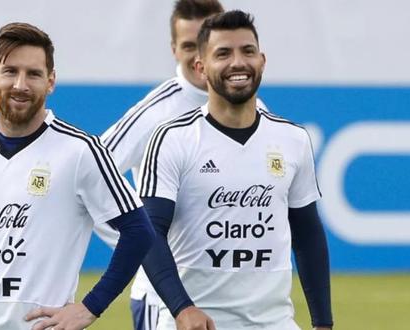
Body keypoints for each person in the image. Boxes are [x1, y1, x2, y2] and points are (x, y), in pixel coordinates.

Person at [0, 22, 155, 330]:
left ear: (51, 81)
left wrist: (89, 308)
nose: (20, 84)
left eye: (33, 74)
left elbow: (139, 232)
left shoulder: (80, 151)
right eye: (10, 71)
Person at [139, 10, 333, 330]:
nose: (238, 62)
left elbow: (308, 234)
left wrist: (323, 322)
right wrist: (182, 308)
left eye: (247, 51)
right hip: (195, 322)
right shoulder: (172, 139)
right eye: (223, 53)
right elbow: (147, 234)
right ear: (201, 67)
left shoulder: (293, 139)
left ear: (262, 61)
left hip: (274, 322)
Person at [94, 1, 267, 329]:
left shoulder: (255, 109)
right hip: (164, 295)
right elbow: (90, 179)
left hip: (234, 294)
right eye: (188, 45)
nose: (195, 55)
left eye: (206, 42)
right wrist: (140, 243)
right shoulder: (157, 113)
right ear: (174, 49)